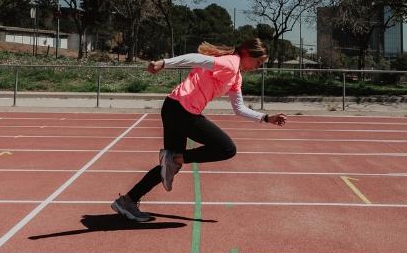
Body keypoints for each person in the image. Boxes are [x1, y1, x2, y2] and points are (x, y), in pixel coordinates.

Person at [111, 38, 287, 222]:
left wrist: (266, 118)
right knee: (227, 148)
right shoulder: (230, 63)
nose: (258, 67)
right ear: (247, 53)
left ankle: (128, 200)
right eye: (258, 62)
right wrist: (164, 63)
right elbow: (196, 58)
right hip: (182, 111)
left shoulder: (236, 75)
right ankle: (176, 158)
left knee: (169, 166)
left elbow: (239, 108)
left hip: (173, 108)